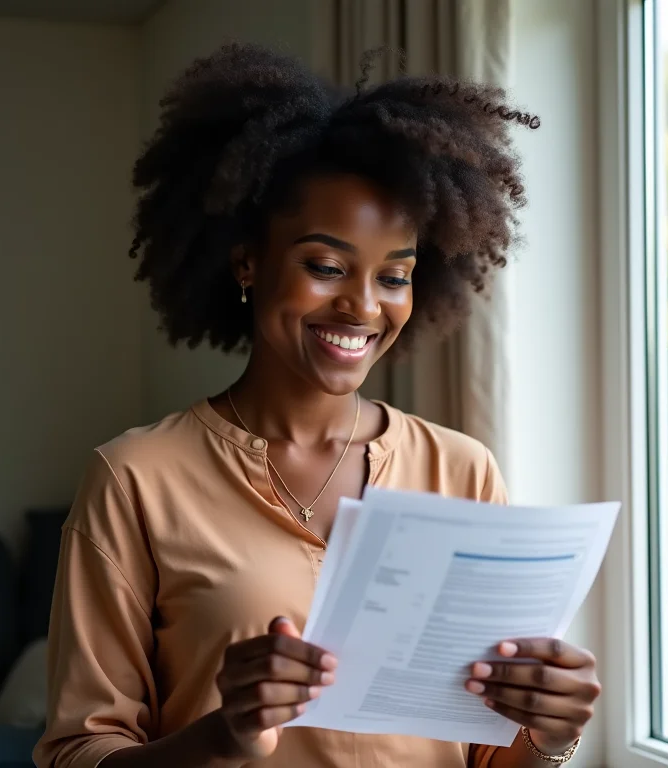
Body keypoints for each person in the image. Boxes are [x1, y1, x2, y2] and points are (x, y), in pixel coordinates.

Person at [34, 43, 600, 768]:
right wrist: (224, 735)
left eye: (394, 276)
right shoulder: (135, 479)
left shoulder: (462, 470)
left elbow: (488, 755)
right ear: (248, 263)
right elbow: (78, 752)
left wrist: (549, 735)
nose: (363, 306)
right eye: (326, 266)